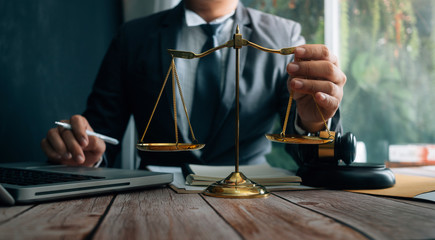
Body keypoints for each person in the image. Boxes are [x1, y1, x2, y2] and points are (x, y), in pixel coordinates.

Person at [41, 0, 346, 168]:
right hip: (155, 196)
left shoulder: (284, 36)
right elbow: (101, 136)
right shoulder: (133, 38)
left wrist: (314, 123)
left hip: (252, 193)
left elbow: (309, 156)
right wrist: (84, 149)